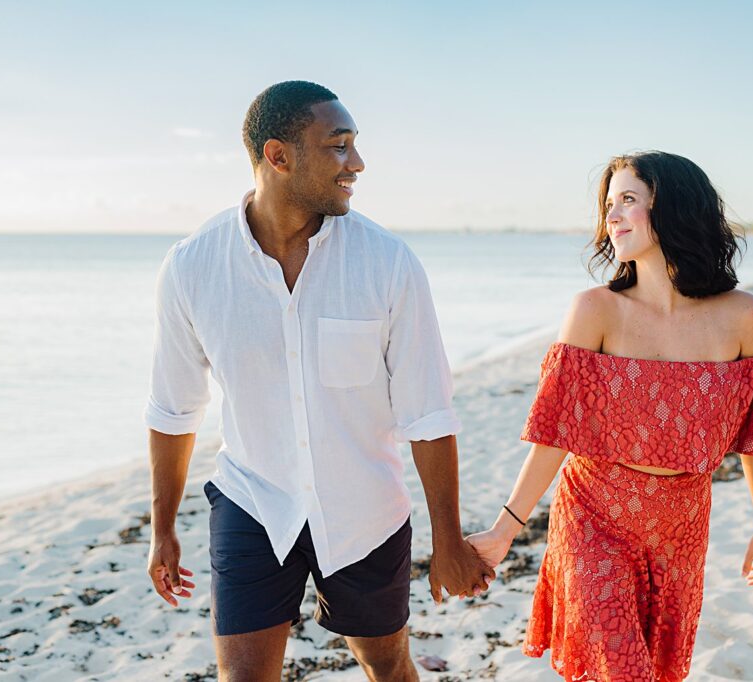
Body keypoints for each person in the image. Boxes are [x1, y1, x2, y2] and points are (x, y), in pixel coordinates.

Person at [144, 80, 494, 682]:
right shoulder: (192, 267)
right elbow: (175, 408)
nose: (357, 163)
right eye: (338, 146)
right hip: (254, 503)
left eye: (354, 145)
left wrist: (448, 540)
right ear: (278, 156)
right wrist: (163, 529)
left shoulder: (388, 263)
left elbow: (427, 413)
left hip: (366, 513)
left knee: (385, 664)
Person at [466, 151, 753, 681]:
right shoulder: (595, 310)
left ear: (675, 208)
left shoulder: (743, 316)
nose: (612, 217)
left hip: (681, 525)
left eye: (629, 201)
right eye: (608, 204)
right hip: (593, 516)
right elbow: (554, 432)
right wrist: (506, 529)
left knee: (657, 670)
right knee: (618, 670)